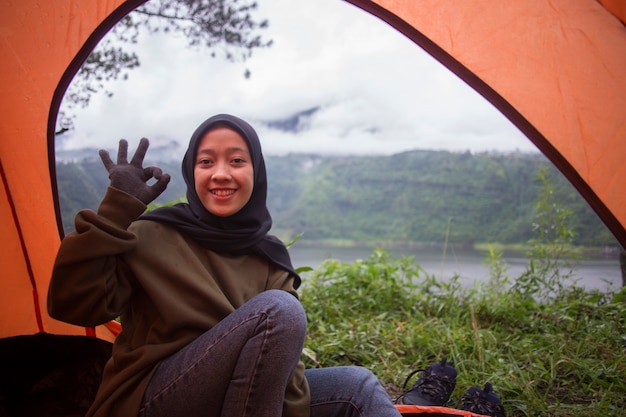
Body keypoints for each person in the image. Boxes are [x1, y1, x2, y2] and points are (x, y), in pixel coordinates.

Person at [48, 114, 402, 417]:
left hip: (243, 394)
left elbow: (285, 368)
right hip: (151, 399)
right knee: (279, 310)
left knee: (358, 386)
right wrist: (115, 210)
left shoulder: (269, 254)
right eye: (206, 162)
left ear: (255, 172)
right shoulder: (151, 235)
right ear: (191, 171)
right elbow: (73, 306)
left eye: (236, 161)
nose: (220, 174)